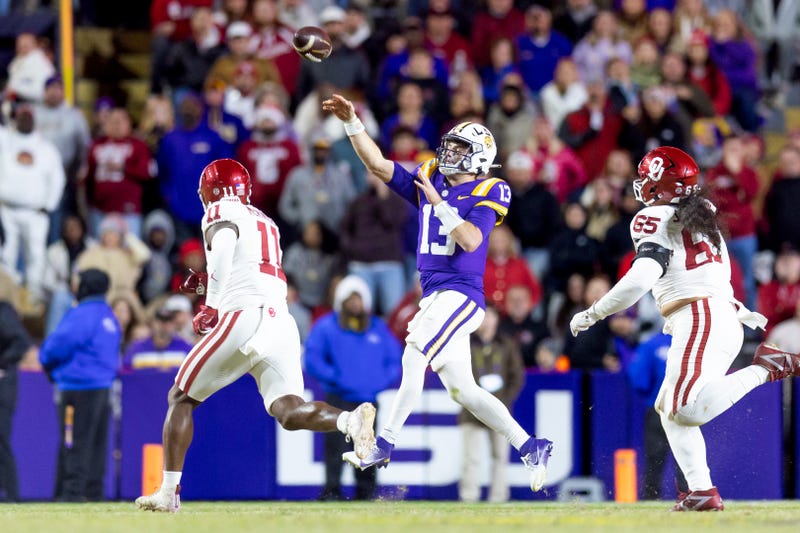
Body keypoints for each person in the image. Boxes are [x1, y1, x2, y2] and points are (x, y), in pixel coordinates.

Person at [322, 94, 553, 492]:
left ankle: (383, 442)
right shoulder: (433, 177)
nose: (449, 152)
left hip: (461, 295)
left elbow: (470, 240)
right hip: (436, 297)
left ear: (479, 156)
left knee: (414, 353)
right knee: (465, 390)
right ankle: (531, 445)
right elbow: (378, 164)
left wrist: (438, 204)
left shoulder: (490, 189)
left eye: (460, 148)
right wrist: (352, 123)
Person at [135, 159, 377, 513]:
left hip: (244, 315)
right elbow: (250, 268)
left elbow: (226, 250)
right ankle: (348, 420)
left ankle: (169, 494)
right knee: (289, 411)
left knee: (181, 397)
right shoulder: (265, 221)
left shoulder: (220, 210)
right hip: (280, 320)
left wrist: (211, 303)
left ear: (211, 191)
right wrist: (207, 285)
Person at [568, 146, 800, 511]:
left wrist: (594, 312)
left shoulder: (652, 217)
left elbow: (641, 277)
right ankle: (701, 492)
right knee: (668, 408)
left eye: (648, 177)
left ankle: (764, 368)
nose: (641, 183)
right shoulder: (701, 208)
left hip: (701, 315)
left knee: (686, 408)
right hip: (713, 315)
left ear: (662, 185)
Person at [304, 276, 402, 501]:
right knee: (335, 448)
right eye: (351, 298)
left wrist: (379, 381)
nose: (356, 303)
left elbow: (395, 360)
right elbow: (312, 358)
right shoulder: (327, 326)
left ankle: (366, 493)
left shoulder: (378, 328)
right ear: (341, 301)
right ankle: (331, 490)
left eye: (359, 298)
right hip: (338, 399)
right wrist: (335, 377)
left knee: (368, 449)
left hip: (367, 402)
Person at [39, 268, 121, 502]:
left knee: (73, 440)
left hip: (77, 388)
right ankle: (94, 492)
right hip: (102, 387)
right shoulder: (107, 315)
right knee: (96, 443)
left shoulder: (83, 314)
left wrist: (46, 362)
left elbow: (57, 345)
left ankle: (72, 493)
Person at [459, 305, 524, 502]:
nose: (486, 320)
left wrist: (504, 401)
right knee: (471, 459)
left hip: (499, 411)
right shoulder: (465, 342)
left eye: (490, 316)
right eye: (482, 316)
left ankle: (499, 497)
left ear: (496, 320)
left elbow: (517, 376)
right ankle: (469, 497)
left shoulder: (505, 344)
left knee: (500, 458)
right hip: (471, 411)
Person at [0, 300, 33, 502]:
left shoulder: (3, 311)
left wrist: (3, 364)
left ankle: (11, 495)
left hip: (3, 385)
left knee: (1, 440)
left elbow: (21, 342)